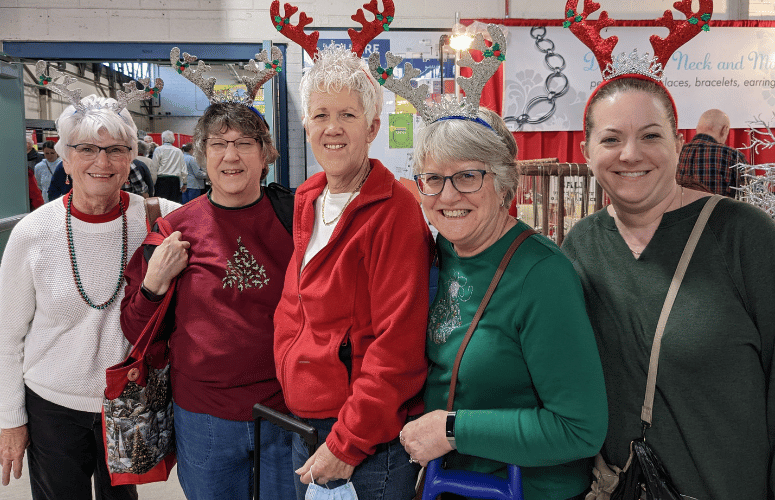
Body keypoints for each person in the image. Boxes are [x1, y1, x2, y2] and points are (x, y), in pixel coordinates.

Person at [561, 70, 775, 500]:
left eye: (651, 136)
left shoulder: (742, 234)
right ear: (586, 153)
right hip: (619, 486)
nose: (630, 154)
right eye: (610, 139)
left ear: (679, 145)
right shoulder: (581, 245)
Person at [399, 107, 608, 500]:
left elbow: (579, 430)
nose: (447, 195)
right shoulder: (439, 251)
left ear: (504, 184)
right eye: (433, 179)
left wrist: (452, 429)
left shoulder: (543, 276)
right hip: (449, 483)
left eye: (467, 176)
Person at [0, 94, 180, 500]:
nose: (102, 162)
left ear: (132, 158)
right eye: (87, 149)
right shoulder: (33, 232)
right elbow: (5, 338)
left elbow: (219, 224)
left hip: (129, 402)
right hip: (52, 407)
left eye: (115, 150)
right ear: (66, 158)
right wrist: (11, 421)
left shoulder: (158, 217)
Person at [273, 44, 433, 500]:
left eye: (347, 114)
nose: (333, 128)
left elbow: (398, 347)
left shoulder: (395, 211)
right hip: (306, 420)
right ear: (306, 127)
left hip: (362, 435)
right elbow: (298, 303)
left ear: (372, 128)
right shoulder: (309, 196)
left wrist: (348, 441)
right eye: (321, 115)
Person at [121, 90, 296, 498]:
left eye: (244, 144)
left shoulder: (296, 220)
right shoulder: (173, 231)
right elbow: (135, 331)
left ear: (266, 154)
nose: (230, 156)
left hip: (285, 411)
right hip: (204, 417)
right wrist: (154, 284)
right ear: (201, 155)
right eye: (218, 144)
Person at [676, 108, 748, 197]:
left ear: (697, 128)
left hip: (678, 210)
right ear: (724, 130)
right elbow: (749, 196)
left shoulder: (676, 152)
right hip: (719, 210)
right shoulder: (734, 156)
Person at [151, 130, 187, 203]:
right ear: (173, 139)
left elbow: (154, 167)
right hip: (175, 181)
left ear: (163, 139)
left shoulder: (158, 149)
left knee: (161, 204)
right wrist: (184, 183)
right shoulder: (178, 151)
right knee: (174, 204)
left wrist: (153, 183)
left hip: (161, 181)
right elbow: (183, 169)